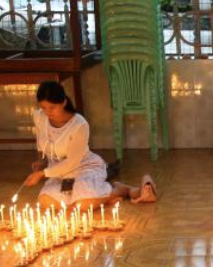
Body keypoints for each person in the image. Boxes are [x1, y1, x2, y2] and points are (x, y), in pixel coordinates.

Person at [23, 81, 156, 208]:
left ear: (63, 102)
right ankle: (100, 199)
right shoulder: (40, 117)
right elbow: (43, 141)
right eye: (43, 107)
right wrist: (43, 161)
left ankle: (121, 190)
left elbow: (72, 162)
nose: (47, 112)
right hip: (57, 172)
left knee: (82, 204)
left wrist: (42, 174)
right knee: (46, 201)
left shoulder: (79, 125)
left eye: (52, 107)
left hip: (83, 167)